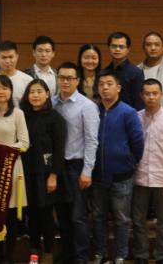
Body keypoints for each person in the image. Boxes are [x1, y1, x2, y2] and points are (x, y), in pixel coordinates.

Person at [91, 70, 145, 264]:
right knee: (98, 217)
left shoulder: (128, 112)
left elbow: (138, 143)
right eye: (101, 84)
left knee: (122, 219)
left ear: (119, 88)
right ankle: (100, 253)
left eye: (109, 84)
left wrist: (129, 161)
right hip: (97, 175)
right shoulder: (93, 110)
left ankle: (120, 255)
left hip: (122, 176)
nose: (105, 87)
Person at [132, 79, 163, 264]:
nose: (151, 97)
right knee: (138, 221)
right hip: (139, 178)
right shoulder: (135, 118)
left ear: (161, 94)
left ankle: (162, 257)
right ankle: (141, 256)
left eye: (155, 93)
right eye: (147, 93)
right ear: (142, 96)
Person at [52, 62, 99, 264]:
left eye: (69, 78)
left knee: (78, 216)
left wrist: (87, 171)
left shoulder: (87, 106)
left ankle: (81, 258)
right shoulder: (52, 103)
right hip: (57, 168)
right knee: (62, 216)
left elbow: (92, 140)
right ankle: (68, 255)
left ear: (77, 81)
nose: (65, 82)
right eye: (61, 77)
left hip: (77, 166)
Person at [20, 79, 67, 264]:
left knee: (46, 215)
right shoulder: (22, 115)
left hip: (46, 175)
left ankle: (47, 253)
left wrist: (54, 176)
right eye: (32, 92)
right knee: (31, 215)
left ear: (47, 94)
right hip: (26, 173)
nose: (35, 95)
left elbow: (59, 150)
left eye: (39, 91)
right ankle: (34, 253)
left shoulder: (56, 118)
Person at [0, 74, 30, 264]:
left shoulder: (18, 114)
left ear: (11, 91)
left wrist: (4, 149)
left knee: (11, 215)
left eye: (4, 88)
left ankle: (9, 257)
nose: (1, 91)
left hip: (12, 167)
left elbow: (24, 143)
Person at [102, 31, 145, 110]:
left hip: (128, 116)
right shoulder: (104, 72)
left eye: (121, 47)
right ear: (109, 48)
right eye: (114, 46)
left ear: (128, 49)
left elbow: (139, 104)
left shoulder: (136, 73)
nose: (117, 49)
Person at [0, 40, 33, 107]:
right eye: (4, 57)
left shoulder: (28, 80)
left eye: (11, 57)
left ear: (17, 57)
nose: (7, 61)